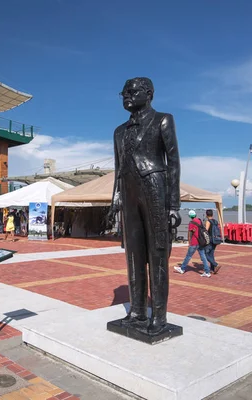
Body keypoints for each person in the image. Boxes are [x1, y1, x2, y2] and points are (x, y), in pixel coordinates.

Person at [107, 77, 181, 334]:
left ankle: (159, 316)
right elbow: (118, 169)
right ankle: (138, 311)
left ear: (149, 93)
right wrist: (115, 198)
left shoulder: (163, 119)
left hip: (155, 189)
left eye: (132, 91)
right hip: (128, 193)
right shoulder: (119, 131)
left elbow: (173, 162)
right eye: (123, 92)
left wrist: (173, 205)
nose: (126, 95)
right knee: (133, 254)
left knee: (157, 253)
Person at [174, 210, 211, 277]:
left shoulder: (191, 223)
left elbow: (190, 233)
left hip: (194, 242)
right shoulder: (199, 220)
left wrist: (189, 242)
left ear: (190, 216)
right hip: (200, 242)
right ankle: (207, 271)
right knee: (203, 257)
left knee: (188, 256)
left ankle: (182, 269)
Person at [204, 209, 221, 274]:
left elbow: (206, 231)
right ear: (212, 214)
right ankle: (212, 269)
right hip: (216, 239)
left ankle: (215, 264)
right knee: (211, 254)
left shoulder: (208, 221)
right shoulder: (215, 221)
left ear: (206, 214)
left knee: (205, 254)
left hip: (210, 240)